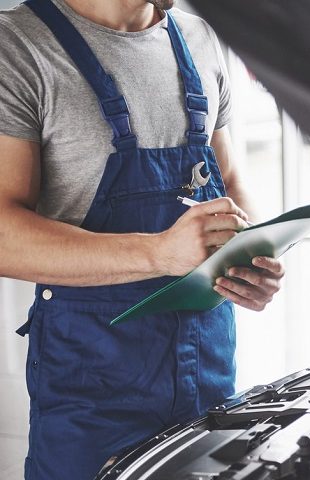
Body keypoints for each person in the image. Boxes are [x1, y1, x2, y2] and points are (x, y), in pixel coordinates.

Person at [0, 0, 283, 478]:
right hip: (93, 393)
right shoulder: (20, 47)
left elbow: (231, 181)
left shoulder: (198, 40)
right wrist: (158, 253)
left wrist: (251, 253)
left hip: (210, 381)